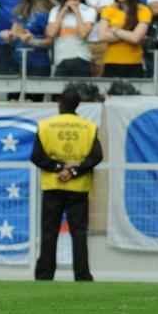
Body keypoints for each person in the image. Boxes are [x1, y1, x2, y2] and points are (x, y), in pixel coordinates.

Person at [30, 86, 102, 282]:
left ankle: (44, 275)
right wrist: (73, 170)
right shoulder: (89, 127)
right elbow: (96, 156)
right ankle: (82, 275)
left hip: (52, 186)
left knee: (49, 232)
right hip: (78, 188)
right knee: (79, 233)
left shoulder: (45, 126)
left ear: (60, 103)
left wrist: (58, 167)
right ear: (78, 105)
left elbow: (36, 156)